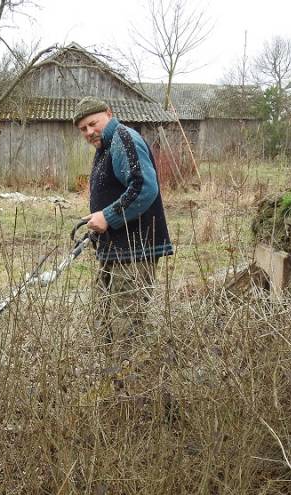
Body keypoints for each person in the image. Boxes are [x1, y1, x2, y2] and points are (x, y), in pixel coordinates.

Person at [73, 96, 174, 354]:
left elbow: (143, 187)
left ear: (109, 113)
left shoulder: (123, 138)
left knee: (127, 328)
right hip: (116, 250)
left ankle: (131, 376)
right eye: (83, 129)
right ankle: (110, 373)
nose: (89, 132)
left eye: (93, 123)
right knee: (104, 319)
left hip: (135, 251)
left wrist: (108, 217)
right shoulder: (105, 147)